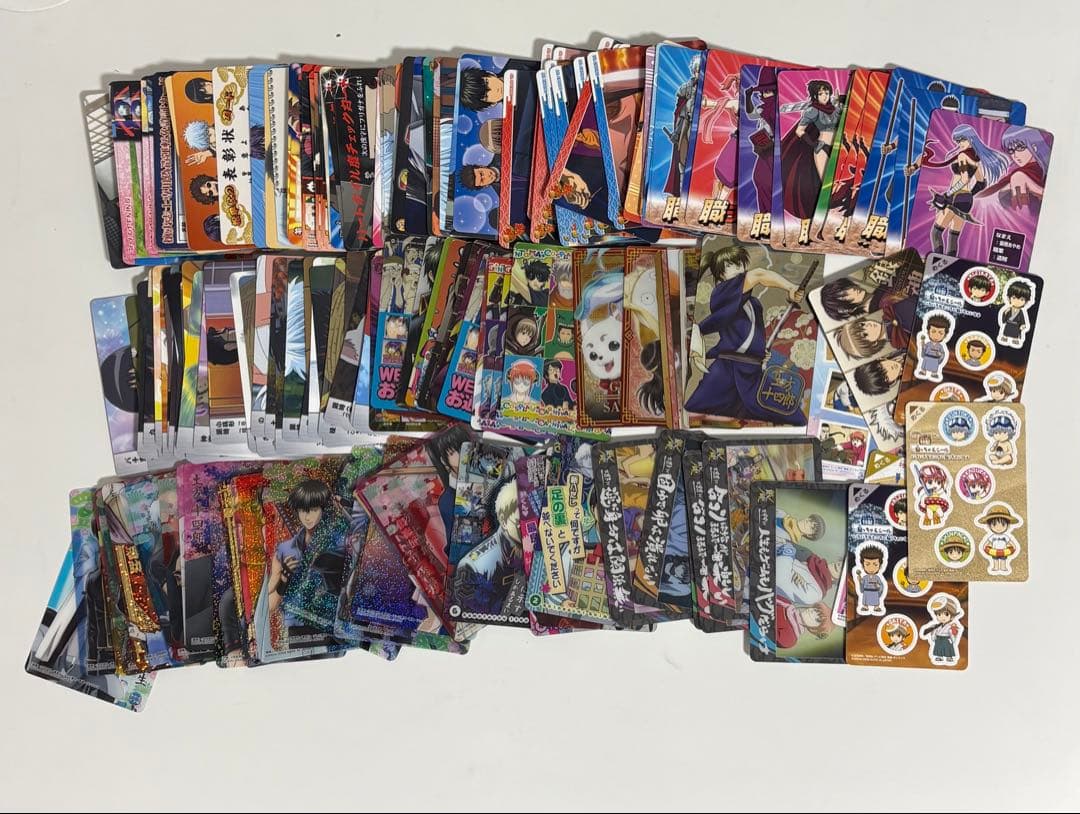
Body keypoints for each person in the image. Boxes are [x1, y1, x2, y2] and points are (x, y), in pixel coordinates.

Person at [684, 244, 806, 423]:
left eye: (740, 264)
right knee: (691, 415)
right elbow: (759, 275)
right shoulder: (722, 292)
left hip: (751, 373)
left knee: (795, 417)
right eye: (730, 265)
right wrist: (790, 287)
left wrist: (759, 353)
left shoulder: (753, 303)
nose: (738, 268)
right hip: (727, 371)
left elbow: (750, 333)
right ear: (721, 274)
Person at [904, 124, 1009, 256]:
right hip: (966, 201)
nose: (959, 143)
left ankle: (937, 261)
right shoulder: (976, 159)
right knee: (953, 236)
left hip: (955, 197)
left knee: (936, 233)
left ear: (971, 139)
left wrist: (948, 194)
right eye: (957, 141)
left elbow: (964, 180)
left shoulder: (963, 156)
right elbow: (981, 183)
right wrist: (968, 195)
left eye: (962, 140)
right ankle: (948, 264)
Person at [975, 502, 1022, 575]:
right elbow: (987, 543)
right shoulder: (992, 537)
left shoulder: (1005, 537)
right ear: (989, 526)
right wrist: (985, 547)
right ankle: (996, 567)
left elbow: (1010, 542)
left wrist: (1013, 546)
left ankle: (1003, 567)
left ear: (1008, 525)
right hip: (994, 551)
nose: (998, 528)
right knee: (995, 559)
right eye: (994, 524)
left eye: (1003, 524)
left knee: (1003, 559)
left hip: (1004, 551)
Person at [919, 594, 964, 665]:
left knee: (948, 648)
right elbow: (934, 631)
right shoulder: (937, 626)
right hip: (939, 639)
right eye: (939, 614)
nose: (942, 617)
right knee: (939, 648)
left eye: (946, 614)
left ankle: (949, 657)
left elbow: (954, 633)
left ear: (951, 615)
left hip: (947, 639)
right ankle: (939, 657)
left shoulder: (950, 625)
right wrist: (933, 633)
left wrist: (952, 630)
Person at [915, 313, 954, 382]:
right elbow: (924, 349)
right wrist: (923, 345)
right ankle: (923, 371)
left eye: (940, 333)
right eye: (933, 331)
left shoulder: (940, 346)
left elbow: (942, 354)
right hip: (927, 357)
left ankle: (934, 373)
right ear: (928, 332)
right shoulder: (928, 344)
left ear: (945, 335)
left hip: (935, 359)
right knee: (924, 364)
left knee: (934, 366)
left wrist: (940, 354)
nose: (936, 335)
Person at [997, 279, 1034, 348]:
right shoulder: (1008, 309)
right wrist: (1005, 313)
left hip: (1016, 326)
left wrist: (1023, 325)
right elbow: (1003, 320)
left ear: (1026, 302)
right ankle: (1005, 337)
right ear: (1009, 298)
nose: (1017, 301)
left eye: (1022, 299)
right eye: (1014, 298)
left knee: (1015, 333)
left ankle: (1015, 339)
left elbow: (1022, 319)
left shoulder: (1021, 312)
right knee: (1006, 331)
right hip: (1009, 324)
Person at [853, 544, 886, 615]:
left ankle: (876, 607)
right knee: (866, 599)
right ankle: (865, 606)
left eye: (875, 564)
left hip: (874, 592)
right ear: (863, 565)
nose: (871, 568)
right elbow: (862, 584)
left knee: (875, 599)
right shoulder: (865, 577)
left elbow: (881, 586)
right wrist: (860, 580)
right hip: (867, 591)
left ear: (880, 565)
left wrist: (878, 586)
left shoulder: (877, 578)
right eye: (867, 564)